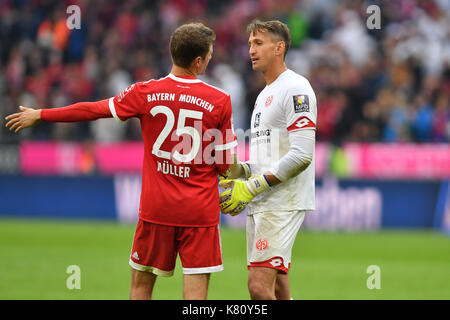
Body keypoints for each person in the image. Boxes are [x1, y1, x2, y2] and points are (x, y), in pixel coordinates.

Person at [5, 22, 237, 300]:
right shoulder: (220, 100)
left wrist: (41, 114)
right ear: (198, 61)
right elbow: (224, 166)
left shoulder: (144, 92)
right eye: (210, 54)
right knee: (195, 300)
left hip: (157, 210)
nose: (211, 58)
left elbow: (93, 110)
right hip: (199, 214)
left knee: (140, 290)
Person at [219, 20, 317, 300]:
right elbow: (268, 160)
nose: (251, 49)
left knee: (258, 287)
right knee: (277, 287)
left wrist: (250, 187)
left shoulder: (296, 88)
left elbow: (301, 155)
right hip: (264, 200)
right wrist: (241, 170)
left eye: (259, 43)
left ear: (279, 47)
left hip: (282, 201)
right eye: (250, 43)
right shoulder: (263, 95)